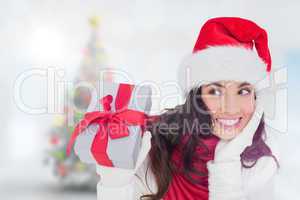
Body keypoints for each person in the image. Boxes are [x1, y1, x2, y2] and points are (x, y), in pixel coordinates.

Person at [87, 17, 281, 200]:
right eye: (215, 91)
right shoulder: (153, 148)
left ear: (257, 99)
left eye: (243, 91)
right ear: (196, 96)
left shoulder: (262, 168)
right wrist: (114, 188)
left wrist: (227, 163)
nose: (230, 108)